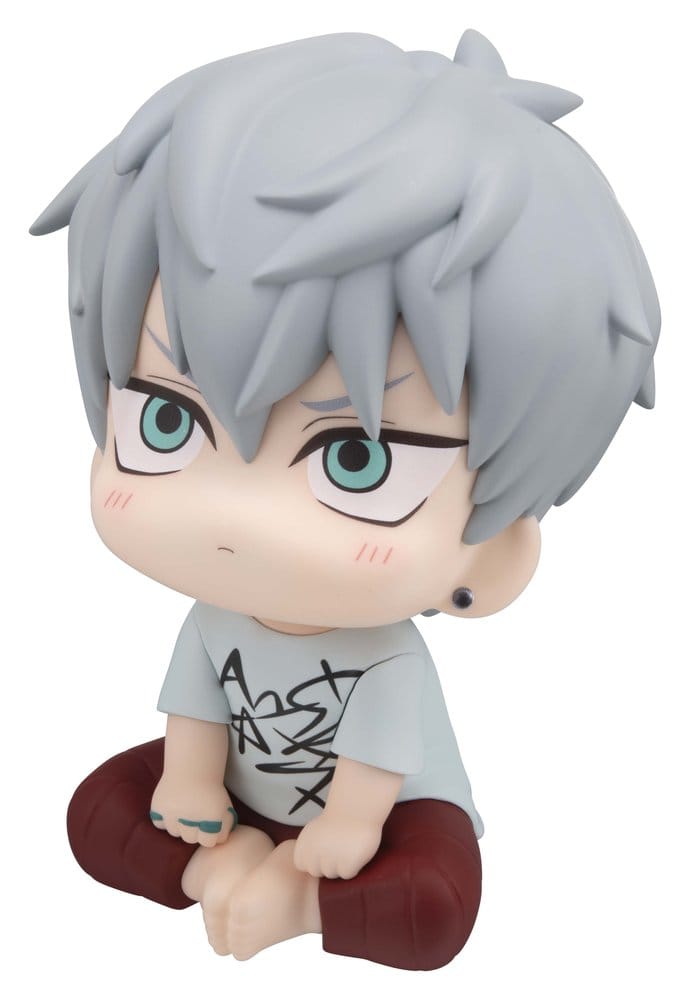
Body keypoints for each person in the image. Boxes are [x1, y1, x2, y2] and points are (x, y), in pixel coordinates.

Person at [30, 28, 660, 971]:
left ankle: (299, 906)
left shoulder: (386, 659)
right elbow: (193, 720)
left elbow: (372, 773)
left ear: (490, 557)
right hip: (233, 803)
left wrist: (347, 832)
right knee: (95, 814)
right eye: (166, 420)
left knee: (432, 907)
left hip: (385, 817)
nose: (234, 517)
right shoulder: (212, 618)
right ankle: (216, 872)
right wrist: (193, 787)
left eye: (358, 461)